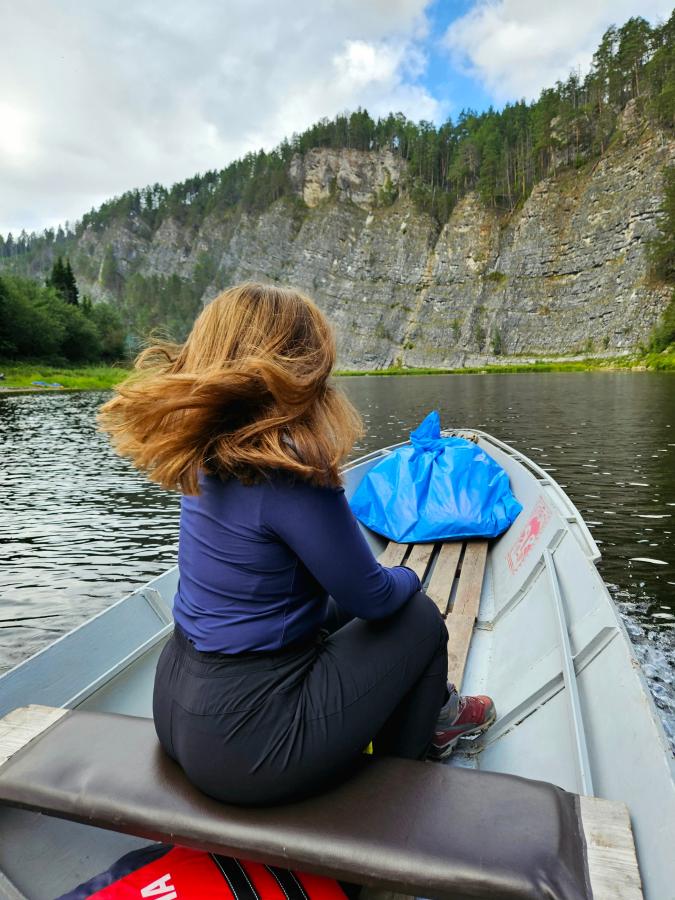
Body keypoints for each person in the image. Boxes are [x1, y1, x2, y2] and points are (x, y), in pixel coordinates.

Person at [98, 282, 495, 806]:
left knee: (330, 608)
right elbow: (373, 597)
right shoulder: (289, 469)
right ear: (298, 369)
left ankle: (426, 707)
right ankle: (408, 772)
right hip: (248, 744)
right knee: (417, 618)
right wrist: (409, 574)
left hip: (175, 706)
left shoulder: (202, 455)